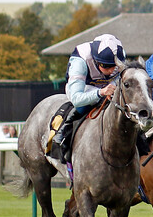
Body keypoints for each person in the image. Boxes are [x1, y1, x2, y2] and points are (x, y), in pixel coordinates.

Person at [49, 33, 126, 163]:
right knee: (84, 104)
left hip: (108, 87)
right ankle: (64, 131)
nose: (111, 70)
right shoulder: (81, 60)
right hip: (84, 88)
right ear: (95, 60)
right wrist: (100, 92)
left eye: (114, 66)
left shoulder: (118, 58)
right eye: (106, 66)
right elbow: (76, 98)